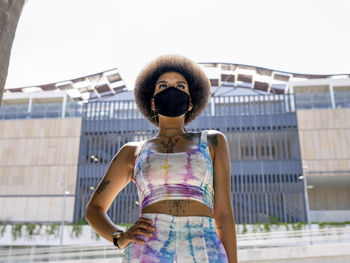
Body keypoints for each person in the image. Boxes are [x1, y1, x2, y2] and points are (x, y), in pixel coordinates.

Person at [85, 54, 238, 263]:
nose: (172, 90)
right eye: (163, 86)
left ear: (191, 102)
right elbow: (94, 209)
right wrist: (119, 237)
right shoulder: (132, 152)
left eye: (180, 86)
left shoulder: (214, 141)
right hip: (148, 251)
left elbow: (224, 214)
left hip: (205, 249)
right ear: (153, 102)